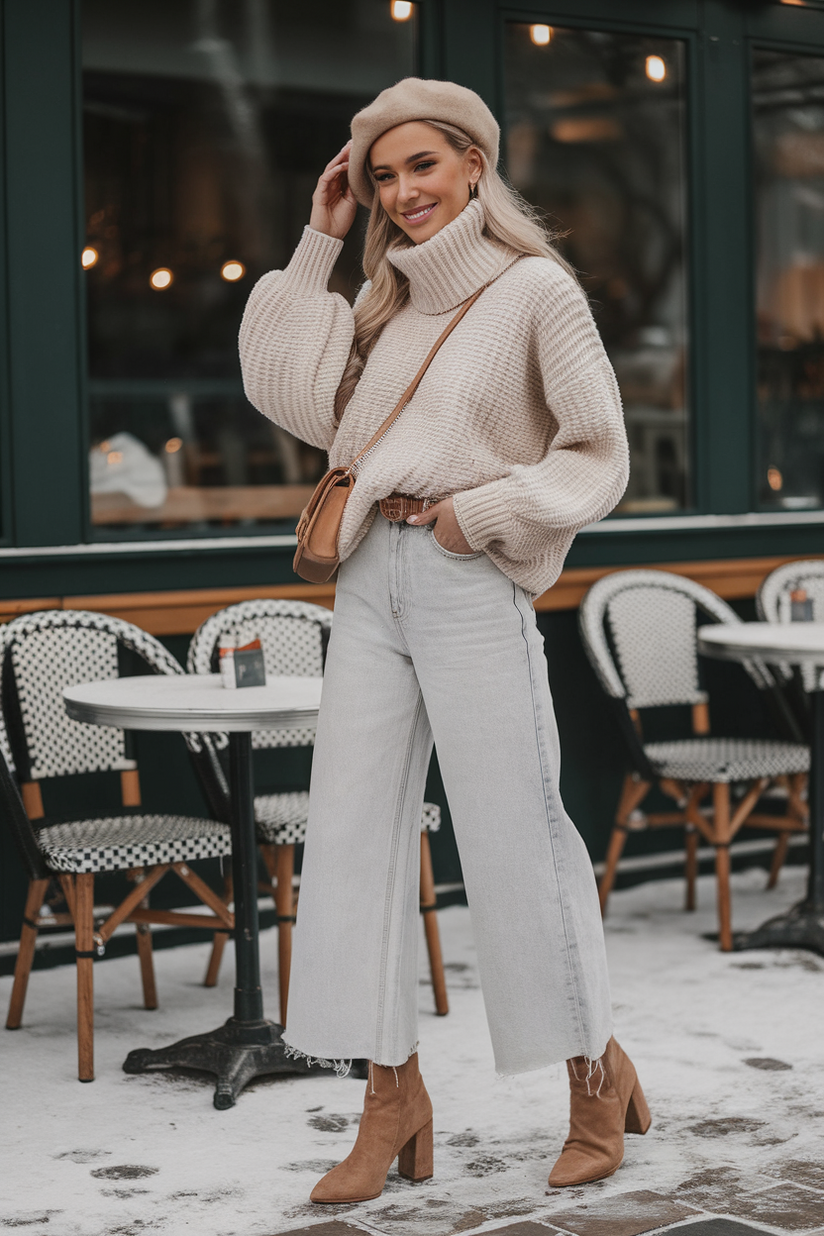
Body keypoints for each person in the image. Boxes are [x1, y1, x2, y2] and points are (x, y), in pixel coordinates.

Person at [239, 77, 649, 1204]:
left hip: (468, 574)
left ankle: (589, 1080)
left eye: (421, 165)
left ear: (474, 162)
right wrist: (320, 240)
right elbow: (287, 393)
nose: (400, 191)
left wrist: (489, 513)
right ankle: (389, 1098)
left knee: (514, 835)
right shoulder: (384, 303)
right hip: (369, 579)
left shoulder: (534, 292)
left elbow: (597, 453)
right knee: (354, 841)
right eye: (380, 176)